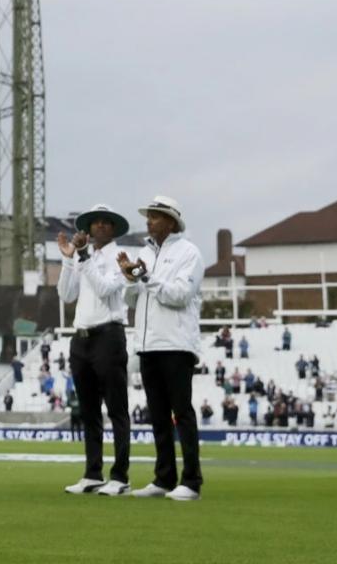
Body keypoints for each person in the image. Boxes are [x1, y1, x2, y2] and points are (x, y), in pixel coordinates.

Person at [118, 196, 204, 502]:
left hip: (176, 344)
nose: (148, 221)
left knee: (182, 413)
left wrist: (146, 276)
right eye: (149, 216)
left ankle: (191, 481)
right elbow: (133, 300)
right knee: (157, 416)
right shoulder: (145, 252)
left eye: (154, 217)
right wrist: (130, 279)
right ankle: (164, 477)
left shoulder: (189, 253)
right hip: (147, 345)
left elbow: (179, 295)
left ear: (170, 221)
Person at [55, 204, 132, 496]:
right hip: (82, 337)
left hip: (109, 334)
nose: (99, 226)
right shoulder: (83, 256)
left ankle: (120, 476)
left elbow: (104, 289)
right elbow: (66, 294)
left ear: (113, 228)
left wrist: (83, 256)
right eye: (95, 222)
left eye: (106, 223)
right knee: (89, 411)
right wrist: (67, 260)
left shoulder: (120, 257)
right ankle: (92, 473)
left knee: (116, 409)